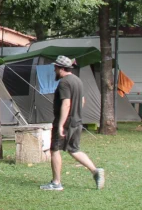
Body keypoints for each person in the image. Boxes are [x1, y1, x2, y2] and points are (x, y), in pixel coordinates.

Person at [40, 55, 105, 191]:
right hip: (76, 121)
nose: (54, 70)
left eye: (56, 68)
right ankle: (95, 171)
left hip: (66, 122)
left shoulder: (64, 82)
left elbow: (66, 104)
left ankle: (56, 183)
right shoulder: (77, 81)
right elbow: (82, 101)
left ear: (61, 68)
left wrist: (61, 125)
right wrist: (76, 115)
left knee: (54, 150)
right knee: (73, 149)